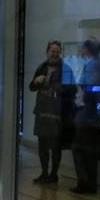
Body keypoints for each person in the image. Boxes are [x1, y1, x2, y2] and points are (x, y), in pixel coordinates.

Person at [29, 40, 74, 185]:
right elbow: (31, 87)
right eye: (52, 51)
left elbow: (71, 89)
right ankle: (43, 173)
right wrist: (36, 81)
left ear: (60, 53)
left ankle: (54, 174)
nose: (54, 53)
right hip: (42, 111)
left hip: (57, 112)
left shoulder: (66, 69)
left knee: (55, 145)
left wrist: (53, 85)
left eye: (57, 51)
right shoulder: (41, 67)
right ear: (47, 51)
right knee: (42, 144)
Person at [70, 38, 100, 194]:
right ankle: (89, 183)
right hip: (93, 115)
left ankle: (84, 183)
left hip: (87, 115)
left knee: (80, 149)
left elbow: (89, 88)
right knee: (89, 151)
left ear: (87, 49)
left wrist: (81, 96)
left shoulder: (92, 65)